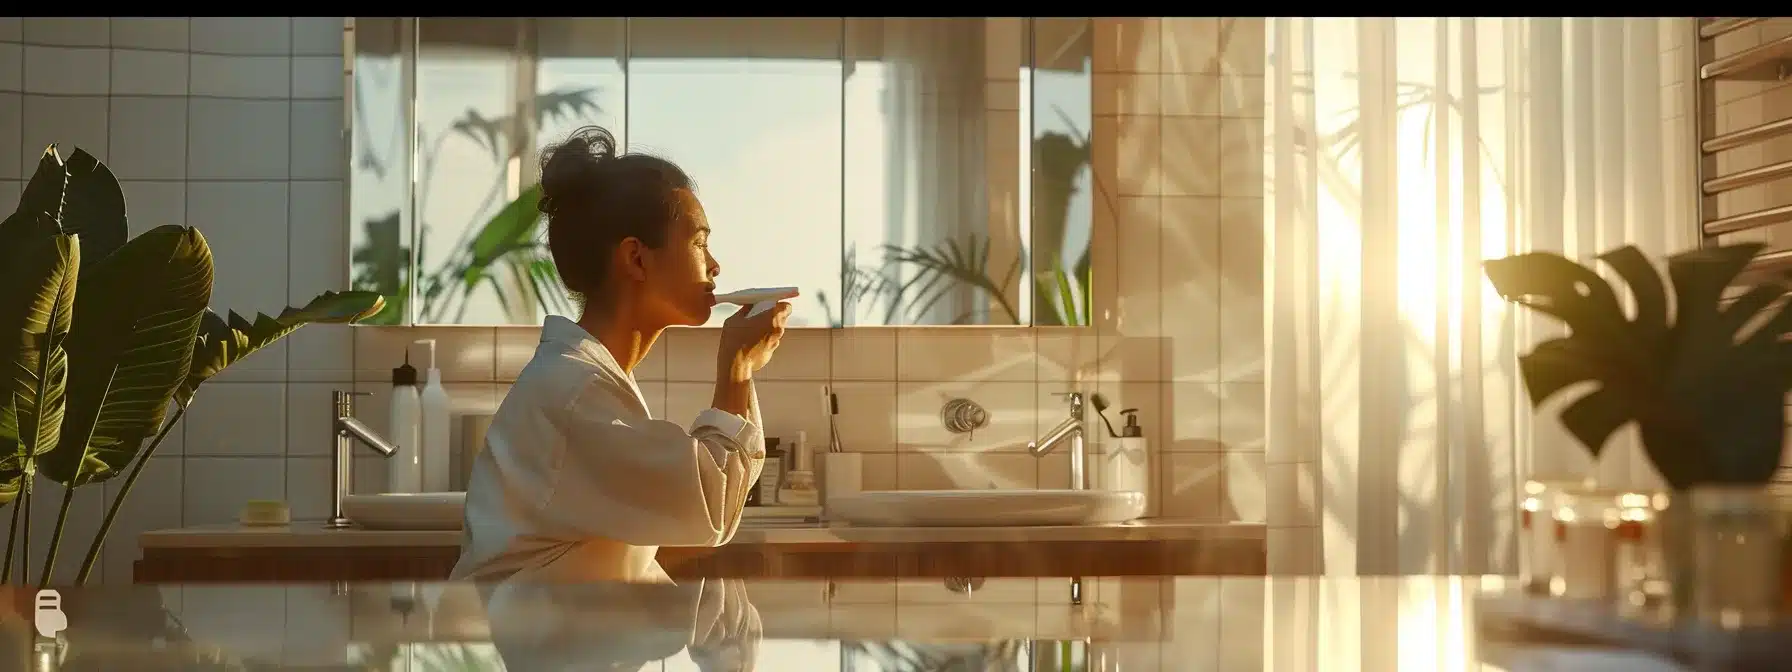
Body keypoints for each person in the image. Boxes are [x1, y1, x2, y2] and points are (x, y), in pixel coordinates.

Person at [451, 126, 789, 584]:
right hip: (529, 644)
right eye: (699, 242)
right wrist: (737, 369)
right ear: (636, 259)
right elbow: (709, 507)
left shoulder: (585, 380)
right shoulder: (574, 392)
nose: (715, 265)